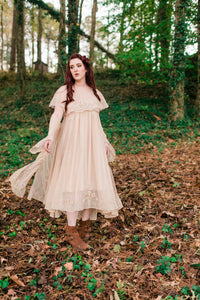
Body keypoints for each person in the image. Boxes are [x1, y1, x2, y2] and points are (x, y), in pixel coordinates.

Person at [9, 53, 123, 250]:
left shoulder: (95, 93)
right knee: (73, 181)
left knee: (91, 180)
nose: (75, 70)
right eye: (72, 67)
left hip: (92, 142)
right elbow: (57, 116)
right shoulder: (65, 91)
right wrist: (51, 136)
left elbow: (97, 122)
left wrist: (104, 142)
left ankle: (85, 225)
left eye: (79, 66)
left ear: (86, 68)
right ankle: (71, 231)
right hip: (72, 141)